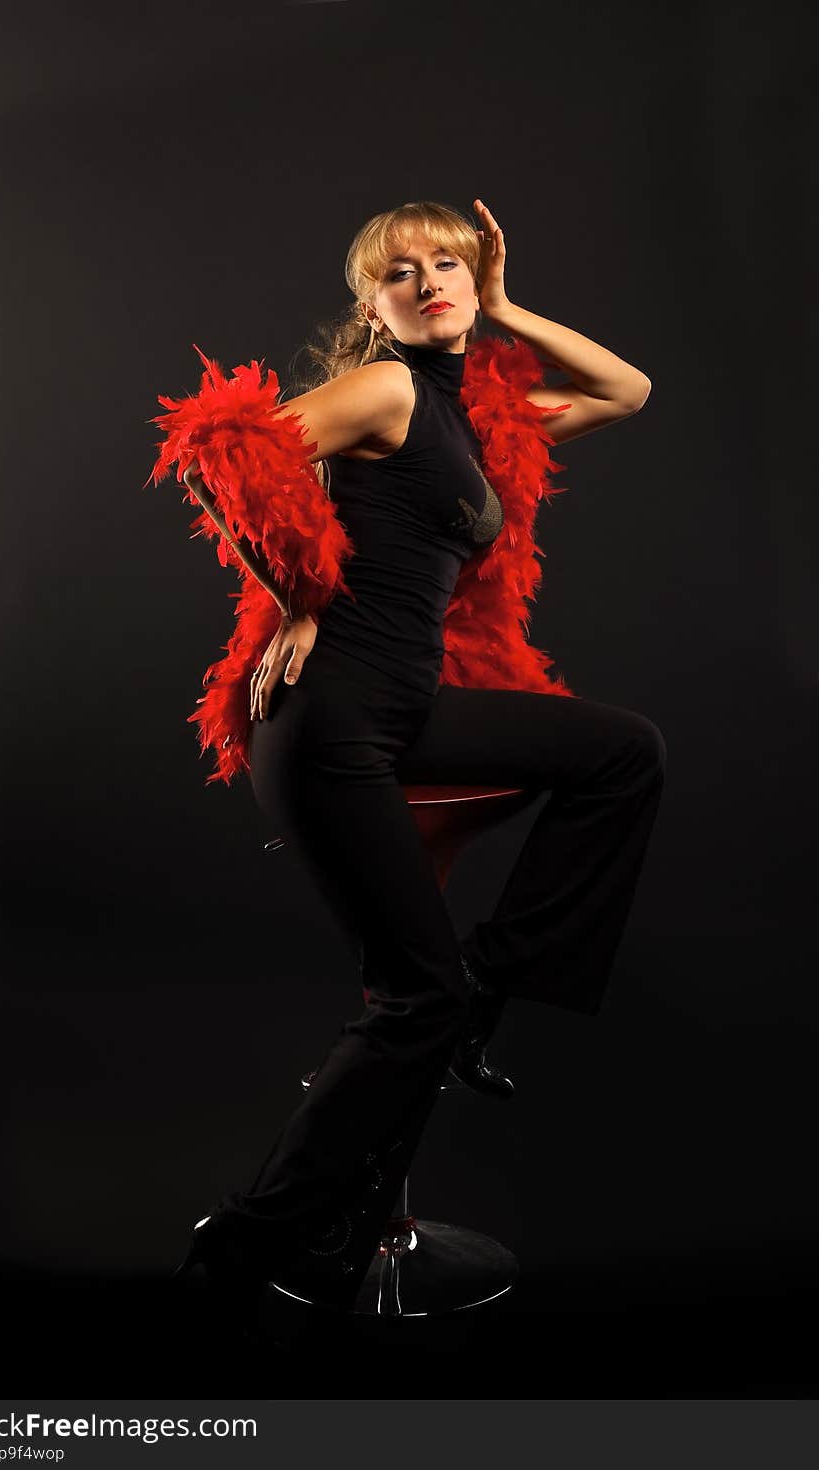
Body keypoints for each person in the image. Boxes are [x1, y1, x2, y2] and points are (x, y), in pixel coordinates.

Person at [152, 198, 664, 1321]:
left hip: (409, 708)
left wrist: (511, 303)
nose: (428, 281)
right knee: (408, 1004)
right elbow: (212, 449)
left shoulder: (480, 419)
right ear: (371, 306)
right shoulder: (385, 390)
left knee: (621, 756)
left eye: (450, 263)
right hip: (332, 719)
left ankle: (486, 986)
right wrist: (291, 595)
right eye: (401, 273)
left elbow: (625, 391)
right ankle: (250, 1244)